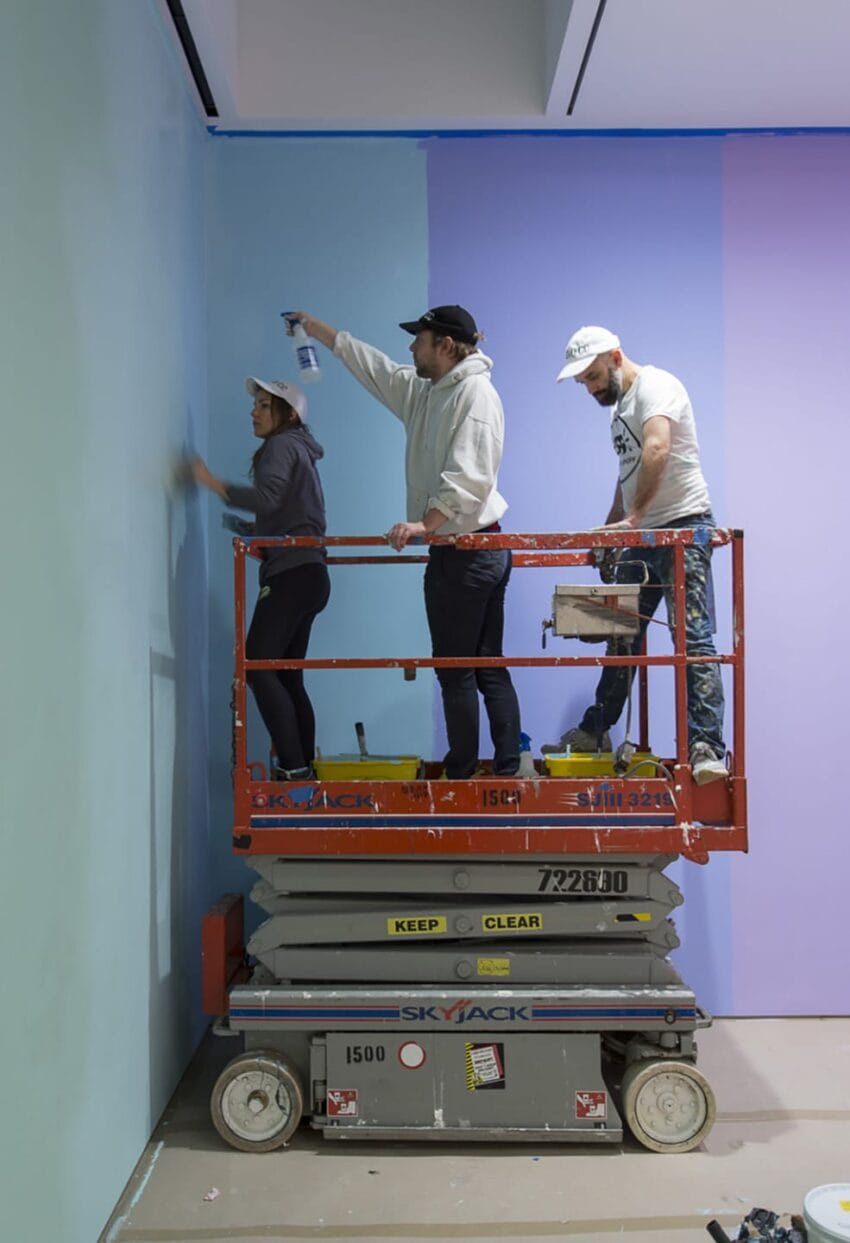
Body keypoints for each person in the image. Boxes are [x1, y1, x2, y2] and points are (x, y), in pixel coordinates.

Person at [287, 306, 521, 779]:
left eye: (421, 339)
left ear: (446, 346)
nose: (411, 347)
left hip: (467, 552)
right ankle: (503, 766)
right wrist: (318, 330)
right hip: (473, 549)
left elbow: (469, 477)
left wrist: (423, 525)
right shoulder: (428, 393)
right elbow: (376, 369)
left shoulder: (474, 394)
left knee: (460, 670)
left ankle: (464, 774)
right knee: (486, 664)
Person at [545, 326, 726, 785]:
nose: (590, 388)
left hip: (684, 528)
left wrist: (633, 520)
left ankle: (706, 748)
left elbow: (658, 448)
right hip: (644, 532)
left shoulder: (657, 387)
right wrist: (613, 527)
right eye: (584, 381)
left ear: (617, 357)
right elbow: (627, 473)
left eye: (593, 376)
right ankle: (597, 729)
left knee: (694, 640)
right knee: (622, 634)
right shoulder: (619, 409)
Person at [192, 377, 330, 780]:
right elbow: (291, 512)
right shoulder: (299, 450)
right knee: (287, 674)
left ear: (286, 414)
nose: (254, 411)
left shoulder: (281, 445)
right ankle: (303, 765)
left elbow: (269, 498)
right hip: (310, 573)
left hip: (291, 574)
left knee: (256, 666)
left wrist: (214, 484)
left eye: (265, 405)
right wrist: (253, 532)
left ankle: (295, 768)